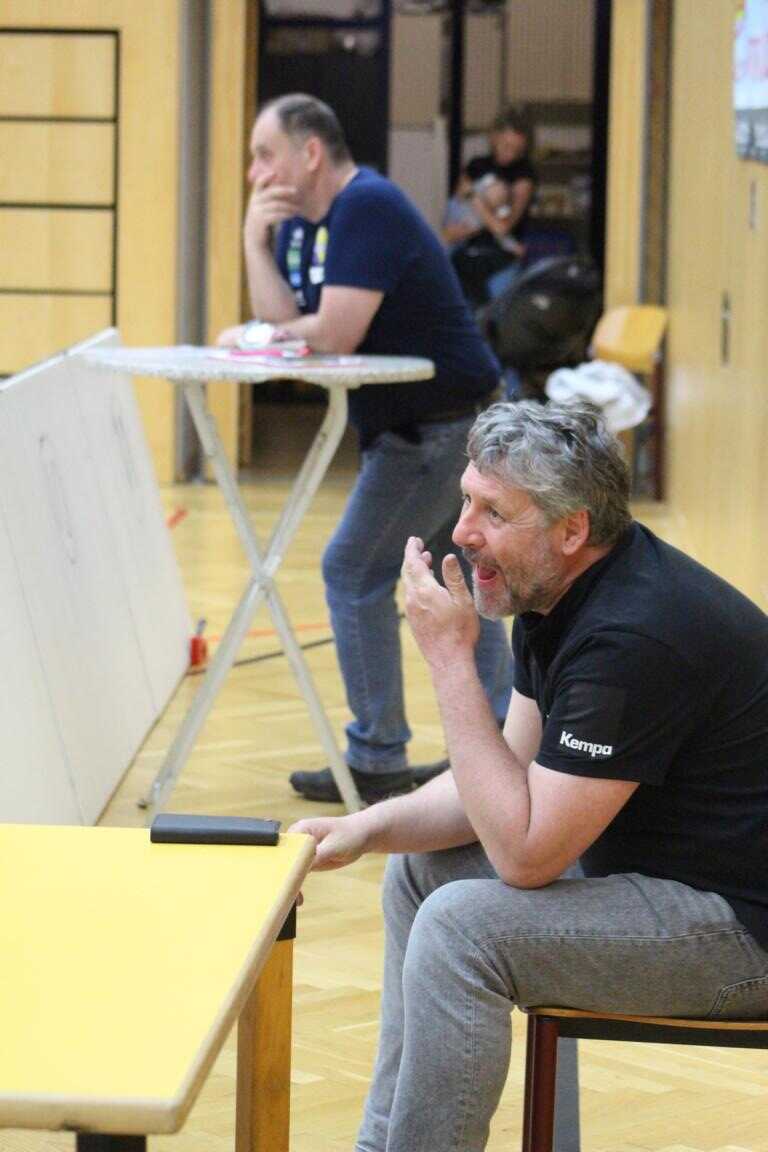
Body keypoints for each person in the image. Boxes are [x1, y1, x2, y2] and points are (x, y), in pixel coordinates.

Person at [291, 401, 768, 1152]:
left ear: (571, 529)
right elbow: (504, 778)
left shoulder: (632, 637)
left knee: (462, 927)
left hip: (743, 932)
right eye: (466, 499)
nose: (462, 531)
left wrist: (451, 660)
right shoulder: (559, 590)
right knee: (423, 872)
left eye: (493, 512)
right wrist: (365, 827)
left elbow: (524, 854)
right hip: (668, 876)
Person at [218, 93, 513, 804]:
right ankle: (502, 746)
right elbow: (284, 322)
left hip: (442, 429)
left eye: (265, 155)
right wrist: (255, 242)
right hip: (428, 428)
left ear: (310, 153)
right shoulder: (308, 225)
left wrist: (271, 334)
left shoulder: (367, 205)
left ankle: (380, 756)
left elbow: (334, 333)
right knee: (460, 578)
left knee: (352, 570)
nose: (256, 173)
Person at [443, 109, 537, 306]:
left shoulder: (524, 175)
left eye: (516, 150)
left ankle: (483, 315)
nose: (509, 154)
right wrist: (478, 219)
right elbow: (452, 225)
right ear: (494, 137)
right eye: (505, 146)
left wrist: (476, 201)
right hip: (467, 245)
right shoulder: (476, 166)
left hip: (497, 253)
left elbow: (503, 228)